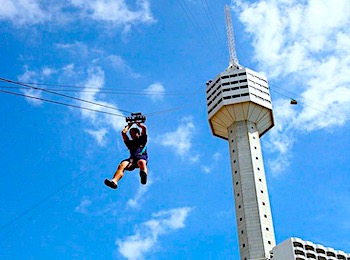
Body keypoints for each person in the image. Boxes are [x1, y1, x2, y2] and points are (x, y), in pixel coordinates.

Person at [104, 122, 148, 189]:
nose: (132, 135)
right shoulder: (130, 143)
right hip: (132, 160)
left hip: (141, 157)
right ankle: (114, 181)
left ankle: (143, 175)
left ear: (138, 133)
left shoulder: (142, 139)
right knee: (122, 165)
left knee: (141, 162)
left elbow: (144, 128)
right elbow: (123, 133)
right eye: (131, 134)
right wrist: (129, 125)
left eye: (134, 133)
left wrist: (138, 124)